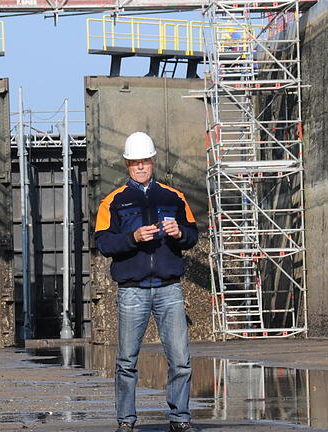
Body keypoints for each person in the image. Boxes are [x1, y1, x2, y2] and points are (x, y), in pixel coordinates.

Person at [94, 132, 199, 432]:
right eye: (135, 162)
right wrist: (133, 237)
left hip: (169, 288)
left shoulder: (174, 197)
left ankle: (180, 418)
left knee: (180, 359)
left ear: (153, 162)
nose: (140, 167)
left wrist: (179, 233)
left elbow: (193, 236)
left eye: (145, 162)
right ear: (127, 164)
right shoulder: (112, 202)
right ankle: (126, 421)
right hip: (132, 291)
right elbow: (104, 243)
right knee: (126, 361)